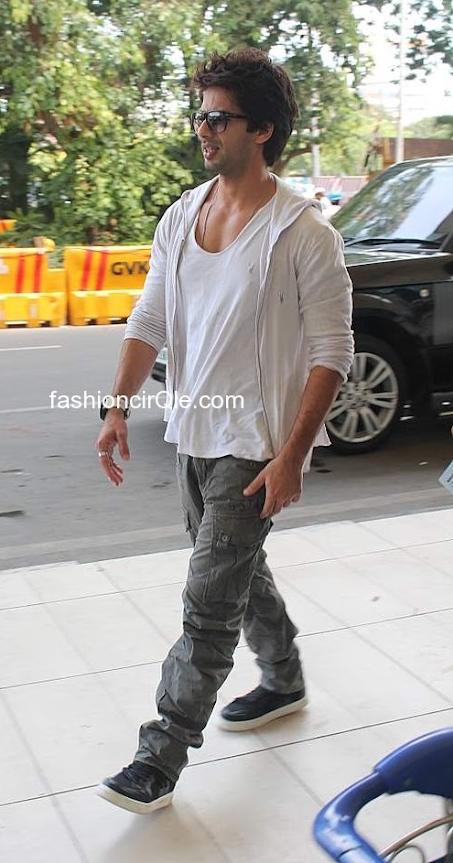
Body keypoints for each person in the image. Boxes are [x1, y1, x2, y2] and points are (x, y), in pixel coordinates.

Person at [94, 48, 354, 814]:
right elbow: (149, 318)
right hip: (193, 433)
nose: (202, 129)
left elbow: (331, 352)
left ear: (262, 129)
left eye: (218, 116)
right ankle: (282, 675)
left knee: (206, 605)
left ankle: (159, 755)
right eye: (199, 114)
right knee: (238, 570)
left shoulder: (304, 233)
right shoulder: (184, 213)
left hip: (255, 440)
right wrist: (115, 406)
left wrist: (293, 455)